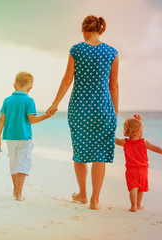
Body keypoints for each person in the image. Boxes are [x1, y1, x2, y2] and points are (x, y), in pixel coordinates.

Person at [47, 15, 119, 210]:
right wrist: (115, 113)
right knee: (100, 155)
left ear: (84, 30)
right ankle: (95, 200)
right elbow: (114, 87)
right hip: (104, 108)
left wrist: (55, 104)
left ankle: (83, 195)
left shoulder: (76, 50)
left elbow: (66, 80)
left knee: (80, 153)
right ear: (100, 30)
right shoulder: (112, 52)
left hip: (79, 108)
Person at [0, 71, 51, 201]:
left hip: (9, 138)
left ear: (14, 86)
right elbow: (32, 120)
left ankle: (15, 190)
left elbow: (2, 119)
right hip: (24, 138)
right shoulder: (29, 101)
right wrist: (46, 116)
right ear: (30, 88)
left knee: (13, 163)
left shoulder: (7, 100)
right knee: (23, 164)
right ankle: (19, 193)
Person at [115, 114, 162, 212]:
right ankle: (139, 205)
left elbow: (116, 140)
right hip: (143, 170)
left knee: (133, 188)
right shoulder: (144, 142)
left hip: (131, 170)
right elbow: (156, 149)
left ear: (127, 130)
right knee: (141, 189)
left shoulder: (125, 142)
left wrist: (107, 134)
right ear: (140, 131)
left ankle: (133, 206)